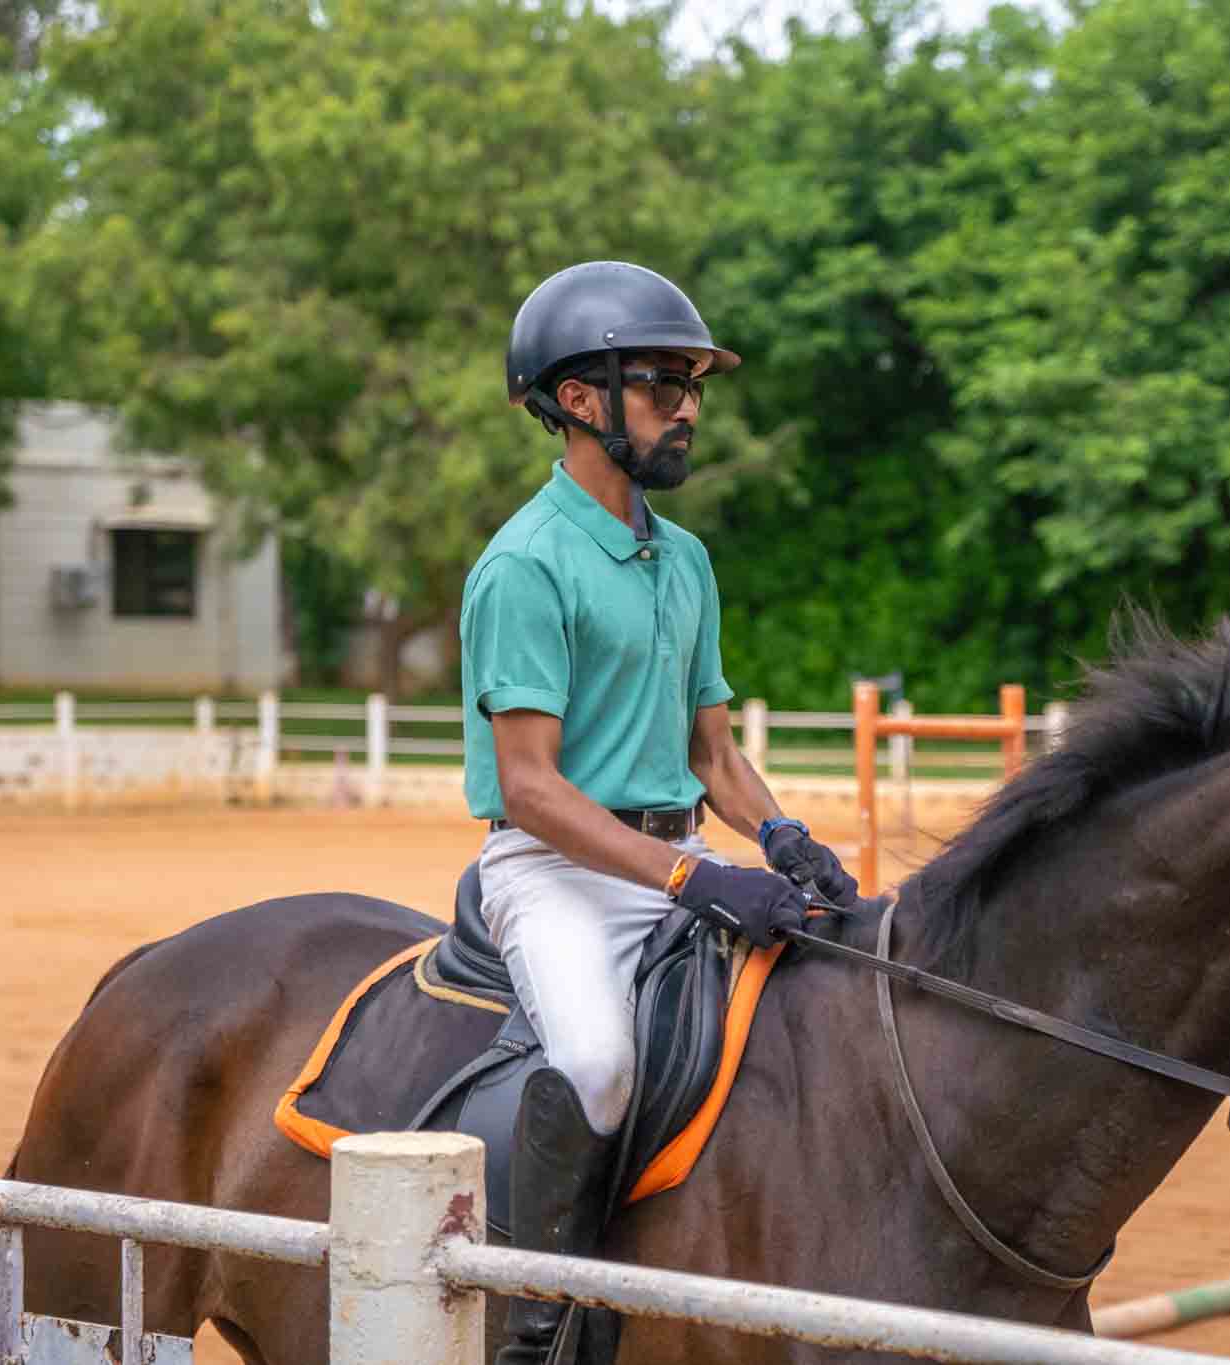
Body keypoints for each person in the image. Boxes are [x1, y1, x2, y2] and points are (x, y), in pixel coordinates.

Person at [462, 260, 857, 1363]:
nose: (686, 409)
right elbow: (532, 788)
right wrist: (694, 879)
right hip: (555, 875)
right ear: (578, 400)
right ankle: (534, 1324)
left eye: (692, 387)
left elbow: (712, 752)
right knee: (594, 1064)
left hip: (679, 863)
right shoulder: (524, 566)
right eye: (660, 386)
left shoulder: (682, 558)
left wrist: (779, 837)